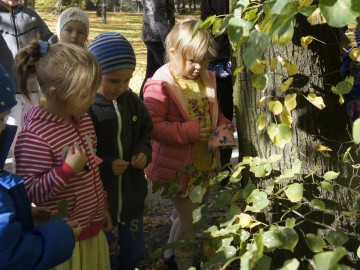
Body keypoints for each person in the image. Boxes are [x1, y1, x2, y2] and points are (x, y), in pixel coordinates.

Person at [143, 18, 234, 270]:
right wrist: (189, 131)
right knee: (190, 220)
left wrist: (224, 127)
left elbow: (214, 112)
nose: (198, 67)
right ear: (173, 53)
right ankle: (185, 265)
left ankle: (169, 259)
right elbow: (153, 126)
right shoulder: (161, 84)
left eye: (203, 60)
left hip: (203, 166)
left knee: (186, 219)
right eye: (192, 60)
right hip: (176, 171)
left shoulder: (206, 80)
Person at [14, 40, 112, 270]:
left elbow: (92, 173)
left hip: (91, 227)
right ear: (55, 93)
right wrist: (66, 171)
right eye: (85, 95)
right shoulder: (34, 137)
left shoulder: (84, 120)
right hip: (64, 241)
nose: (92, 101)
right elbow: (30, 190)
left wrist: (102, 207)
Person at [0, 65, 81, 270]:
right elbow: (10, 257)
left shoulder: (81, 122)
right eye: (2, 118)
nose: (6, 125)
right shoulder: (35, 137)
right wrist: (60, 235)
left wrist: (24, 216)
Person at [88, 32, 153, 270]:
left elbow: (146, 131)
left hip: (132, 199)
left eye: (127, 80)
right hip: (102, 202)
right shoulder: (88, 107)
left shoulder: (132, 101)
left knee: (134, 252)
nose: (122, 87)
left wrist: (143, 151)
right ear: (96, 74)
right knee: (106, 254)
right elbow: (83, 149)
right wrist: (105, 164)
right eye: (114, 81)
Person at [0, 0, 54, 142]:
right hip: (6, 92)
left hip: (31, 89)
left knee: (31, 133)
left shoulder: (30, 15)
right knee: (9, 136)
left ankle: (25, 163)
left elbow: (49, 39)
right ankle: (7, 164)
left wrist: (42, 50)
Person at [201, 0, 234, 170]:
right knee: (220, 113)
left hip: (239, 57)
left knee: (226, 113)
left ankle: (224, 163)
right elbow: (206, 20)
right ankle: (223, 164)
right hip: (219, 59)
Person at [140, 0, 175, 99]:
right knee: (172, 72)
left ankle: (143, 103)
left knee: (151, 73)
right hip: (157, 38)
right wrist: (169, 42)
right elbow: (158, 18)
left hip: (154, 36)